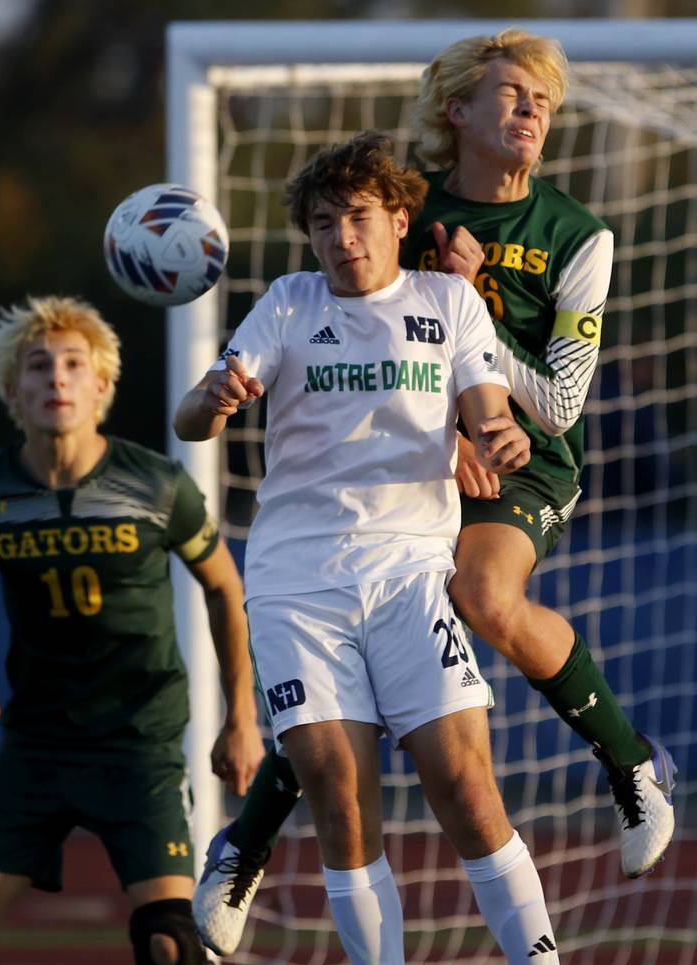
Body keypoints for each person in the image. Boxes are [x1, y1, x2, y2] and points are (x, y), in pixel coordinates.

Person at [191, 27, 677, 958]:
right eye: (513, 94)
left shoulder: (582, 234)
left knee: (484, 593)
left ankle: (632, 764)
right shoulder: (401, 211)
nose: (533, 110)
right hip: (424, 456)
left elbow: (566, 401)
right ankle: (245, 849)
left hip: (525, 454)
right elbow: (383, 339)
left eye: (544, 97)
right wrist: (441, 424)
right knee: (341, 691)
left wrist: (480, 320)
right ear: (457, 111)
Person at [175, 131, 561, 965]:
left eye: (357, 217)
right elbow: (190, 418)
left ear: (397, 217)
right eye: (322, 223)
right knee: (342, 801)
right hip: (298, 583)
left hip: (412, 574)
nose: (341, 239)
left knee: (465, 787)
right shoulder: (289, 303)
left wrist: (498, 435)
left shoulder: (449, 301)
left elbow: (486, 403)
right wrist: (212, 399)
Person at [0, 295, 264, 965]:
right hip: (36, 746)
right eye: (38, 365)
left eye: (74, 364)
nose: (57, 378)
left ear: (102, 385)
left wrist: (240, 717)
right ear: (11, 387)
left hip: (139, 747)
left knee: (170, 943)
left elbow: (224, 585)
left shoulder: (155, 483)